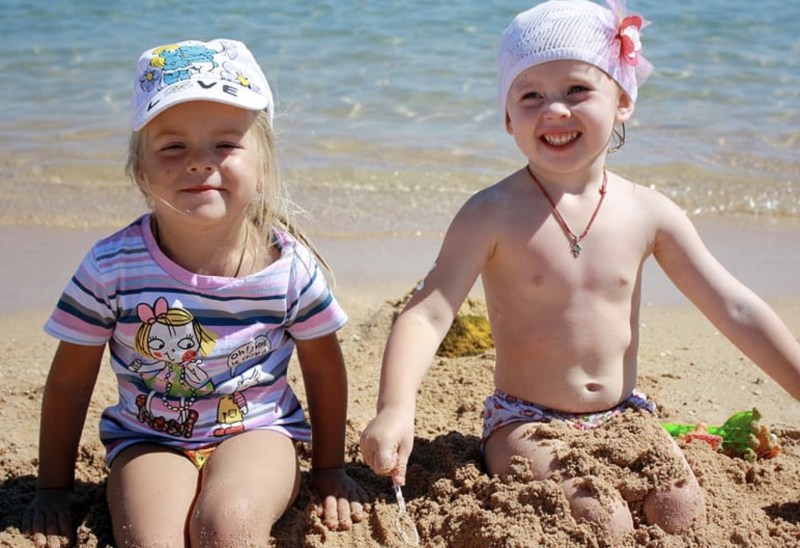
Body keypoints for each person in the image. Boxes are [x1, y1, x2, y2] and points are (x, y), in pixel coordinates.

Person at [360, 0, 800, 539]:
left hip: (626, 414)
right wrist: (395, 406)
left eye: (577, 90)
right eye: (530, 96)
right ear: (507, 117)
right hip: (525, 419)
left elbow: (732, 305)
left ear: (623, 99)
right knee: (601, 517)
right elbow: (428, 315)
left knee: (680, 509)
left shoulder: (649, 212)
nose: (555, 110)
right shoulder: (490, 214)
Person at [23, 38, 364, 547]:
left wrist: (330, 468)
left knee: (226, 525)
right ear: (140, 170)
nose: (199, 162)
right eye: (172, 146)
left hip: (257, 433)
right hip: (148, 439)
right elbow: (71, 381)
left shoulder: (286, 268)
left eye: (225, 144)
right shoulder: (110, 267)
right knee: (153, 539)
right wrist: (53, 488)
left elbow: (323, 367)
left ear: (263, 165)